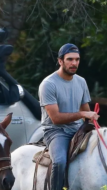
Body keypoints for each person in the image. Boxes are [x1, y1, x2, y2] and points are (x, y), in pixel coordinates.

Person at [38, 43, 99, 190]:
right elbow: (56, 118)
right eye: (70, 59)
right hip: (56, 131)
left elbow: (87, 112)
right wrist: (82, 114)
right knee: (59, 161)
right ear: (60, 61)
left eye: (77, 60)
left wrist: (94, 125)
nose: (74, 63)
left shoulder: (81, 81)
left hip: (78, 129)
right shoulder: (48, 84)